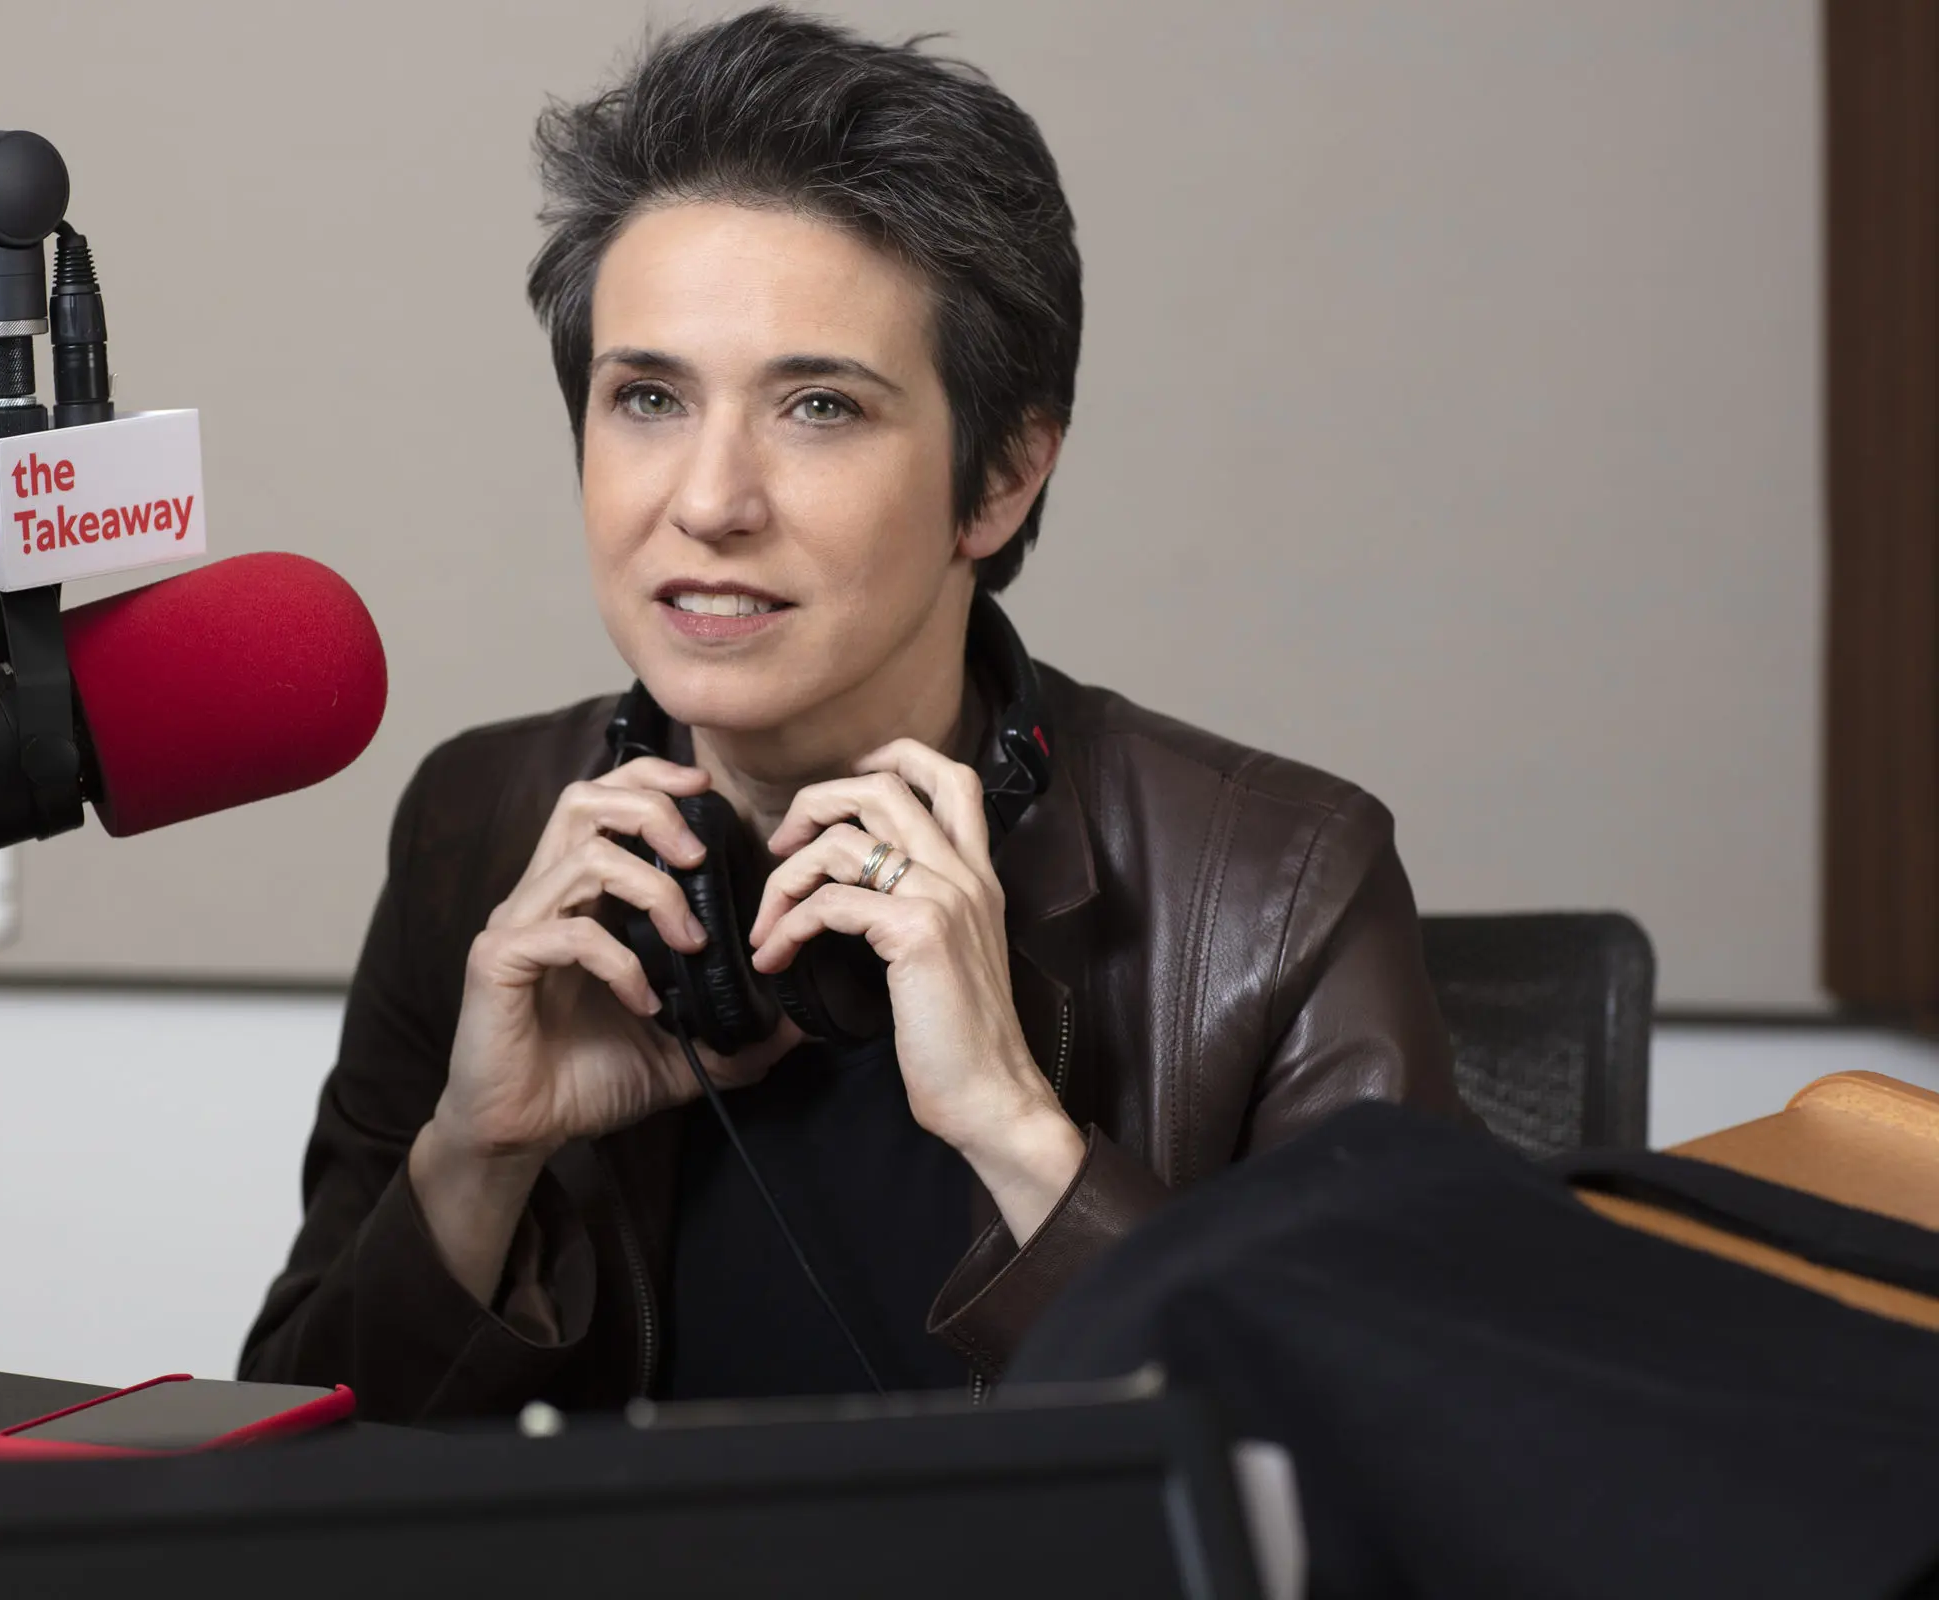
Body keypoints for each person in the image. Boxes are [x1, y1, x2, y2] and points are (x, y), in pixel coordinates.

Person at [241, 8, 1471, 1422]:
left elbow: (1415, 1471)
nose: (706, 502)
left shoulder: (1283, 885)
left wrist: (1021, 1142)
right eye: (646, 396)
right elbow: (279, 1474)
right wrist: (473, 1158)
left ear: (1000, 478)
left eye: (817, 406)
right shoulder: (481, 826)